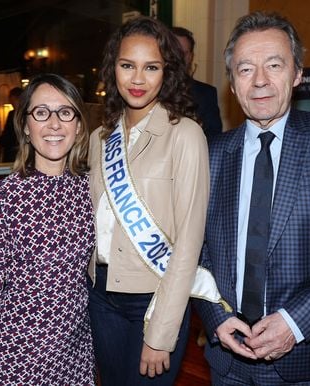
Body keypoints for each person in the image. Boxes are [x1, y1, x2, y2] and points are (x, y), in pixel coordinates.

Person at [193, 11, 310, 385]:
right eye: (246, 69)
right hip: (227, 359)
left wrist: (294, 324)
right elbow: (195, 251)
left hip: (306, 359)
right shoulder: (211, 153)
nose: (260, 80)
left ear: (297, 74)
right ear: (232, 84)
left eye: (274, 65)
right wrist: (215, 317)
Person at [87, 16, 210, 386]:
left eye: (151, 67)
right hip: (100, 294)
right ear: (113, 70)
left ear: (167, 72)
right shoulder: (99, 138)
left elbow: (189, 243)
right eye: (127, 66)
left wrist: (161, 333)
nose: (138, 79)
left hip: (153, 297)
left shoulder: (185, 135)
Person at [0, 73, 95, 385]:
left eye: (65, 113)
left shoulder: (90, 189)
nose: (54, 124)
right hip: (20, 353)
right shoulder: (1, 199)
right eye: (41, 113)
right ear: (25, 126)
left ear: (78, 127)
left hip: (75, 349)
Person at [172, 26, 223, 141]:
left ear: (190, 57)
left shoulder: (206, 94)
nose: (178, 58)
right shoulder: (149, 89)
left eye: (183, 53)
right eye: (174, 52)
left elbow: (214, 139)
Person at [0, 86, 23, 162]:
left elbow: (7, 135)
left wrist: (1, 140)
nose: (11, 104)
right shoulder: (29, 113)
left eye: (12, 101)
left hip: (13, 153)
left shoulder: (13, 114)